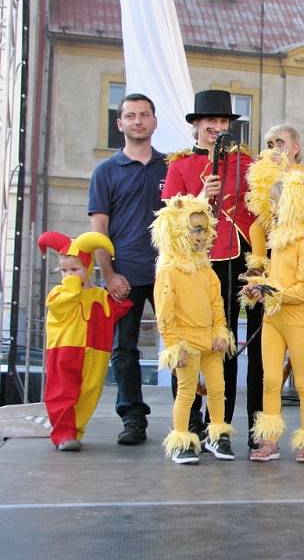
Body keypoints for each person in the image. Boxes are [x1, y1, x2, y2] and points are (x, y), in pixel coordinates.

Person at [161, 89, 261, 444]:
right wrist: (203, 197)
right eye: (210, 122)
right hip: (194, 264)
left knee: (226, 340)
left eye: (222, 122)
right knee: (188, 342)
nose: (216, 128)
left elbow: (259, 210)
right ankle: (187, 424)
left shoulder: (246, 164)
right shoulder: (180, 165)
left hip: (235, 258)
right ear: (197, 126)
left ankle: (220, 424)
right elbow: (169, 222)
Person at [88, 92, 166, 445]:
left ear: (154, 121)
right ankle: (133, 419)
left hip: (169, 273)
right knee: (125, 350)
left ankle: (191, 418)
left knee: (183, 344)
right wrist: (109, 274)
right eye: (130, 115)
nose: (138, 120)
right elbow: (98, 231)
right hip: (125, 274)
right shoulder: (105, 172)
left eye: (144, 115)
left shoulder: (170, 167)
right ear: (119, 123)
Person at [243, 170, 304, 463]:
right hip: (273, 319)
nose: (271, 206)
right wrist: (259, 287)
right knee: (270, 381)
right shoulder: (279, 243)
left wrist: (271, 290)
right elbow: (276, 278)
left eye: (275, 201)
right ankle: (270, 441)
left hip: (296, 322)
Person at [151, 195, 237, 464]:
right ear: (177, 231)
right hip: (186, 341)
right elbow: (165, 313)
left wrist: (221, 331)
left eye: (205, 229)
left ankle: (217, 433)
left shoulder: (207, 271)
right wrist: (173, 345)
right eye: (195, 229)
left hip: (210, 340)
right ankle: (180, 439)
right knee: (186, 391)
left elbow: (217, 304)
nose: (202, 236)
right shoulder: (169, 272)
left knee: (217, 387)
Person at [38, 231, 132, 451]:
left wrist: (124, 297)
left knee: (89, 391)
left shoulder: (99, 295)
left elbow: (115, 310)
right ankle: (63, 433)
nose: (68, 275)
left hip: (94, 354)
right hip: (64, 351)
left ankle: (75, 430)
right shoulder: (58, 293)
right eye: (64, 270)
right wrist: (72, 284)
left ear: (88, 268)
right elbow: (62, 304)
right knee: (62, 391)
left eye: (75, 269)